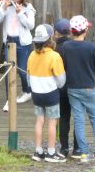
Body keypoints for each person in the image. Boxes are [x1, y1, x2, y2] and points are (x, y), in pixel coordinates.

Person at [61, 15, 95, 163]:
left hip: (72, 88)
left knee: (79, 121)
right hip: (89, 87)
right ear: (85, 30)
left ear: (71, 31)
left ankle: (84, 153)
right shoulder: (91, 47)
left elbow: (63, 66)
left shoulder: (66, 47)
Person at [0, 0, 36, 112]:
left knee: (22, 71)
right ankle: (9, 100)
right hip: (9, 42)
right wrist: (4, 8)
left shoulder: (28, 7)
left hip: (23, 43)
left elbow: (30, 25)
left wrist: (20, 13)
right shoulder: (5, 5)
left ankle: (27, 91)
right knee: (8, 71)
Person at [27, 24, 66, 163]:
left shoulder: (31, 55)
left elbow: (28, 77)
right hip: (50, 93)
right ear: (50, 38)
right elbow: (61, 80)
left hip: (36, 93)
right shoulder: (55, 56)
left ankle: (38, 151)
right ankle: (51, 152)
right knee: (52, 122)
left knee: (39, 121)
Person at [54, 18, 79, 158]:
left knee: (64, 118)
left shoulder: (54, 48)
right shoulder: (75, 45)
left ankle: (64, 148)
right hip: (75, 85)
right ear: (69, 32)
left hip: (61, 87)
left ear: (56, 33)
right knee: (78, 117)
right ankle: (77, 148)